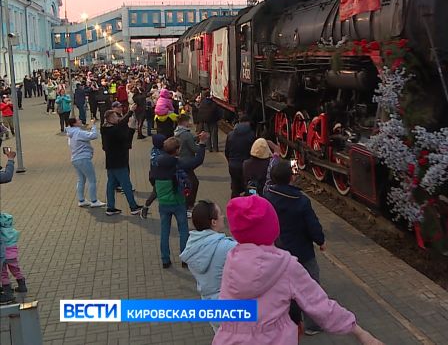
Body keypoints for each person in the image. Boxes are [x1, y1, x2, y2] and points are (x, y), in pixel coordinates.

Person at [214, 195, 381, 345]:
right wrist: (359, 332)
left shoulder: (232, 260)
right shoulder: (285, 265)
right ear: (273, 228)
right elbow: (320, 305)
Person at [264, 160, 327, 335]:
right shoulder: (301, 201)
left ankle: (291, 321)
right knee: (311, 287)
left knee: (283, 287)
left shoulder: (267, 196)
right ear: (291, 178)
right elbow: (312, 225)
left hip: (278, 250)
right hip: (302, 252)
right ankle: (313, 325)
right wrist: (320, 241)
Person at [179, 200, 237, 333]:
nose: (223, 217)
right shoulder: (225, 247)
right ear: (213, 222)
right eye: (220, 214)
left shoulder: (193, 246)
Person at [152, 135, 207, 268]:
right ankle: (184, 259)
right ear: (176, 150)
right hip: (177, 201)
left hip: (163, 202)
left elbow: (151, 179)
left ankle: (165, 260)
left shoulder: (155, 162)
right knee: (183, 230)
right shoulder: (177, 163)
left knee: (164, 231)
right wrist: (202, 144)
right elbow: (197, 160)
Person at [100, 109, 142, 216]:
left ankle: (110, 207)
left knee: (111, 185)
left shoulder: (104, 129)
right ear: (110, 119)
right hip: (119, 161)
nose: (117, 118)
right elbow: (126, 139)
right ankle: (133, 207)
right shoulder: (115, 131)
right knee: (126, 185)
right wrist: (131, 129)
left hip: (110, 161)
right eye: (115, 117)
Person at [66, 118, 106, 208]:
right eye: (78, 120)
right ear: (75, 124)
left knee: (81, 179)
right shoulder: (78, 132)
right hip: (83, 158)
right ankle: (94, 201)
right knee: (92, 180)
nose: (81, 121)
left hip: (75, 158)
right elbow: (94, 135)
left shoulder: (71, 133)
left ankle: (81, 200)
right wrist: (94, 125)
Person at [174, 114, 201, 215]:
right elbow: (194, 149)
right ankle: (188, 206)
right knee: (193, 183)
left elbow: (185, 142)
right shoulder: (186, 134)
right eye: (188, 121)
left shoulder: (177, 131)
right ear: (185, 122)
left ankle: (188, 205)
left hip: (180, 160)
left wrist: (195, 138)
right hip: (187, 162)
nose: (189, 123)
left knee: (190, 183)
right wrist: (202, 144)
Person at [225, 114, 256, 198]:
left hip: (233, 165)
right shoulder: (252, 135)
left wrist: (230, 161)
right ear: (248, 123)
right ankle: (250, 203)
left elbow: (226, 152)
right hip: (247, 166)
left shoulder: (230, 134)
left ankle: (234, 205)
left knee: (235, 188)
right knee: (250, 187)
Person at [0, 212, 27, 297]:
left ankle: (7, 289)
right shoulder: (12, 231)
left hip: (2, 255)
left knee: (3, 272)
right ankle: (22, 285)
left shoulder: (1, 233)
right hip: (12, 255)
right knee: (16, 269)